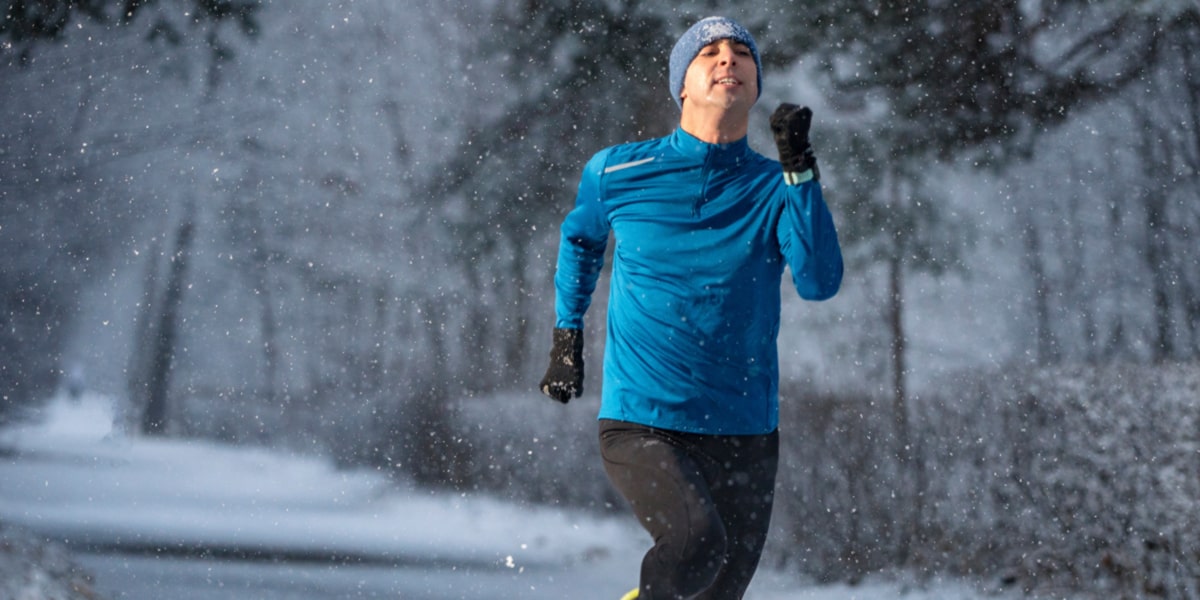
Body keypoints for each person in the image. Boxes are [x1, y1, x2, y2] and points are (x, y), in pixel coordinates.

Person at [539, 16, 843, 600]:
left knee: (717, 590)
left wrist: (800, 170)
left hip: (746, 427)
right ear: (682, 83)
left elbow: (818, 281)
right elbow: (580, 241)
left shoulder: (776, 185)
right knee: (696, 546)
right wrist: (566, 338)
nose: (728, 59)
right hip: (645, 417)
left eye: (741, 53)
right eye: (710, 53)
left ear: (755, 84)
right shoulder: (618, 171)